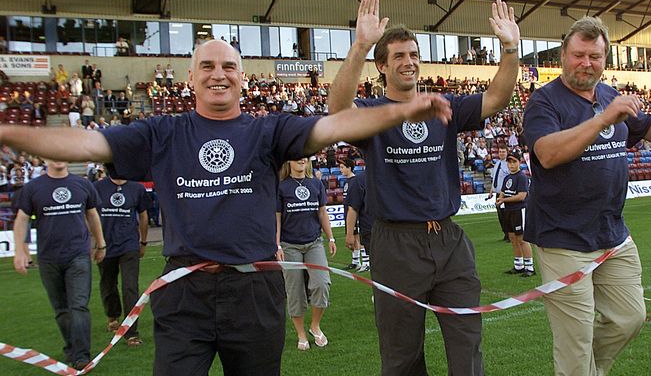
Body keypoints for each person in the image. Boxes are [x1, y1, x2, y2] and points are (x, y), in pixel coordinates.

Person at [0, 38, 451, 375]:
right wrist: (6, 133)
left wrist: (399, 111)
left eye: (229, 66)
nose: (219, 74)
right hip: (183, 293)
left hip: (254, 292)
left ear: (241, 76)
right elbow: (84, 142)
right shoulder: (162, 133)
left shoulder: (268, 131)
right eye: (208, 66)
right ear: (191, 78)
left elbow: (334, 126)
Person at [328, 0, 520, 375]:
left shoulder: (442, 106)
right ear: (381, 65)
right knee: (402, 356)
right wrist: (361, 44)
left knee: (467, 345)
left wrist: (511, 50)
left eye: (413, 54)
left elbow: (496, 98)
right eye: (398, 56)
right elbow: (337, 110)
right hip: (396, 244)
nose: (409, 62)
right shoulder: (371, 113)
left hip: (449, 240)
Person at [522, 16, 651, 376]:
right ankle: (579, 368)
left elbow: (646, 126)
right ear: (563, 54)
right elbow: (547, 154)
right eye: (578, 54)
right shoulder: (544, 101)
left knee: (630, 317)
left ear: (605, 58)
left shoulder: (611, 95)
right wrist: (601, 120)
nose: (586, 63)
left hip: (612, 234)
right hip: (562, 238)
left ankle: (585, 369)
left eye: (594, 57)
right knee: (575, 340)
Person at [13, 160, 105, 371]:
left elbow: (92, 214)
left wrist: (101, 243)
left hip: (78, 255)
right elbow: (22, 219)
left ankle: (82, 356)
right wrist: (20, 249)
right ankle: (72, 348)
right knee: (61, 309)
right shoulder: (33, 188)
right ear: (45, 158)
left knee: (79, 306)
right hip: (49, 258)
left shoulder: (82, 184)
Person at [276, 157, 335, 351]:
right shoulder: (281, 187)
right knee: (295, 291)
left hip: (314, 243)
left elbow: (322, 213)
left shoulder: (316, 183)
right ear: (288, 162)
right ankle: (301, 334)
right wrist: (276, 245)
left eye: (305, 157)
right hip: (289, 245)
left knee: (322, 283)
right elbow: (277, 218)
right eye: (297, 157)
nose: (302, 160)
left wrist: (331, 238)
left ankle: (315, 326)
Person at [93, 172, 149, 346]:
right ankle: (112, 315)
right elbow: (91, 214)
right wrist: (96, 241)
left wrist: (143, 241)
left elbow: (143, 215)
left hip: (129, 245)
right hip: (106, 245)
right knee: (108, 284)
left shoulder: (137, 188)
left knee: (130, 287)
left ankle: (131, 333)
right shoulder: (97, 187)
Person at [497, 151, 534, 276]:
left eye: (514, 162)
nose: (511, 165)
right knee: (513, 238)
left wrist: (503, 199)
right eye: (509, 162)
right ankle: (519, 265)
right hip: (508, 210)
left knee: (522, 239)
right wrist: (500, 198)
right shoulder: (508, 177)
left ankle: (529, 267)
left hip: (519, 209)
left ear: (519, 162)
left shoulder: (521, 177)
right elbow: (503, 191)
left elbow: (521, 196)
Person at [344, 167, 373, 271]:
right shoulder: (360, 180)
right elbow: (352, 208)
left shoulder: (391, 176)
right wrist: (349, 234)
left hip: (391, 230)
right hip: (371, 231)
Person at [339, 157, 364, 270]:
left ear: (349, 168)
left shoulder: (355, 181)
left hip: (355, 214)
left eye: (342, 167)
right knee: (353, 237)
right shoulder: (347, 182)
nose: (340, 170)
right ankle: (355, 261)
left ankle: (366, 262)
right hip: (347, 213)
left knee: (359, 237)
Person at [488, 144, 510, 242]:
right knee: (500, 215)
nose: (501, 153)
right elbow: (494, 179)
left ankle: (510, 234)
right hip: (497, 193)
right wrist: (491, 191)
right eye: (500, 152)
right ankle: (505, 233)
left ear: (507, 152)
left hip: (505, 193)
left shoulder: (509, 164)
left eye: (503, 152)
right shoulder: (497, 163)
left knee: (507, 214)